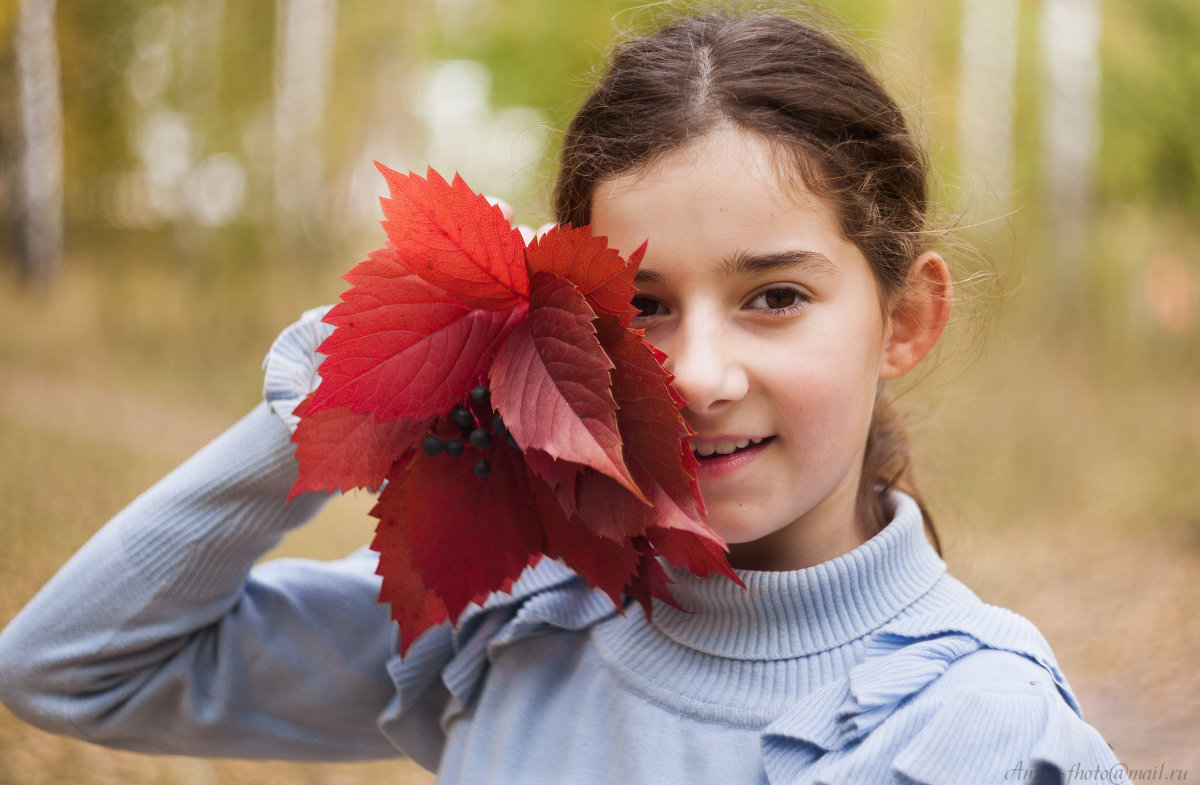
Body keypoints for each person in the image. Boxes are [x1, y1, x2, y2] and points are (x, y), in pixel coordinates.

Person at [0, 7, 1121, 783]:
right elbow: (72, 666)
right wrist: (316, 414)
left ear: (908, 320)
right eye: (639, 307)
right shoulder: (516, 608)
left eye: (775, 295)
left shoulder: (978, 730)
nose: (696, 374)